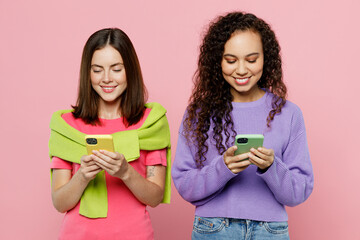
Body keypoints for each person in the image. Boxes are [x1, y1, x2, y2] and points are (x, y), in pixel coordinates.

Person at [171, 12, 314, 239]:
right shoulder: (198, 113)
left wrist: (271, 167)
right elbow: (184, 185)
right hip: (213, 228)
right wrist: (223, 168)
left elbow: (300, 191)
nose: (241, 70)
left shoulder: (289, 114)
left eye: (251, 59)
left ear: (266, 59)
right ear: (217, 61)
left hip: (270, 230)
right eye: (230, 60)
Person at [49, 28, 171, 240]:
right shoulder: (67, 127)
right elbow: (60, 203)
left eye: (116, 69)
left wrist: (125, 172)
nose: (106, 79)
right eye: (97, 70)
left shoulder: (150, 124)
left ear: (130, 70)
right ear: (87, 72)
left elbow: (155, 197)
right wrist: (83, 175)